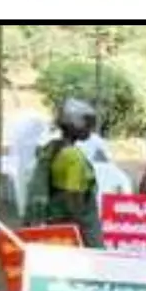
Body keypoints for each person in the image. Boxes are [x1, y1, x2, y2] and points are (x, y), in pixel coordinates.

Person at [41, 99, 102, 247]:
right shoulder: (72, 156)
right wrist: (79, 228)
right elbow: (73, 196)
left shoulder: (54, 148)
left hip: (55, 217)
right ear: (75, 123)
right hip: (74, 221)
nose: (89, 128)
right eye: (87, 123)